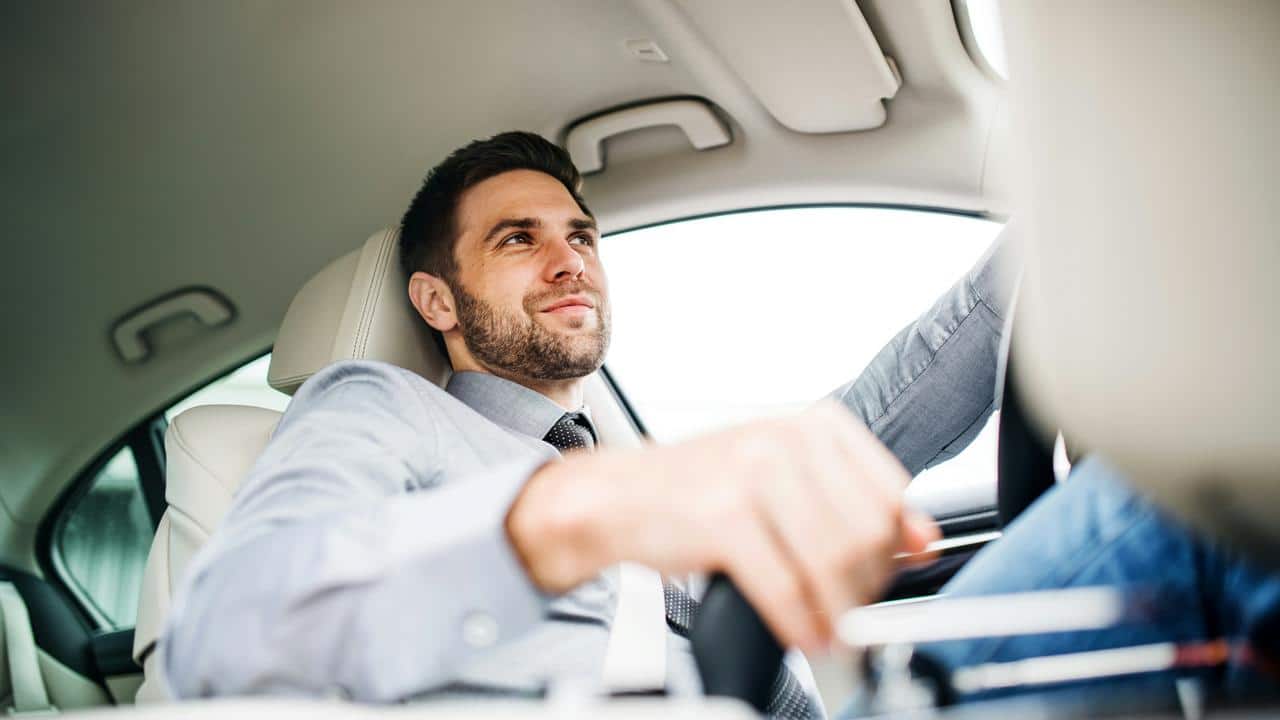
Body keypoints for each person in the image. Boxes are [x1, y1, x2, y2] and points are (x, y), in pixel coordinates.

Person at [161, 131, 938, 717]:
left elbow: (884, 407)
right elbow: (228, 630)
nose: (571, 262)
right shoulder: (377, 404)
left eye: (581, 235)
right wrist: (573, 512)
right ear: (436, 302)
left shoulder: (630, 464)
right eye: (518, 238)